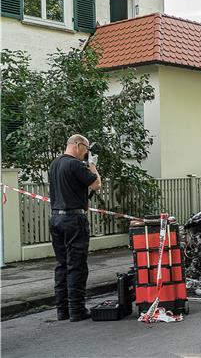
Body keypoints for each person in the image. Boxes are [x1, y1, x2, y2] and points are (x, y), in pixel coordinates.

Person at [48, 134, 102, 322]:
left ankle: (62, 310)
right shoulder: (75, 164)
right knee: (76, 265)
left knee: (62, 265)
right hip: (73, 219)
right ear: (78, 145)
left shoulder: (54, 165)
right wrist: (92, 164)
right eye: (86, 150)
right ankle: (77, 310)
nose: (86, 154)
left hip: (56, 218)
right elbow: (96, 184)